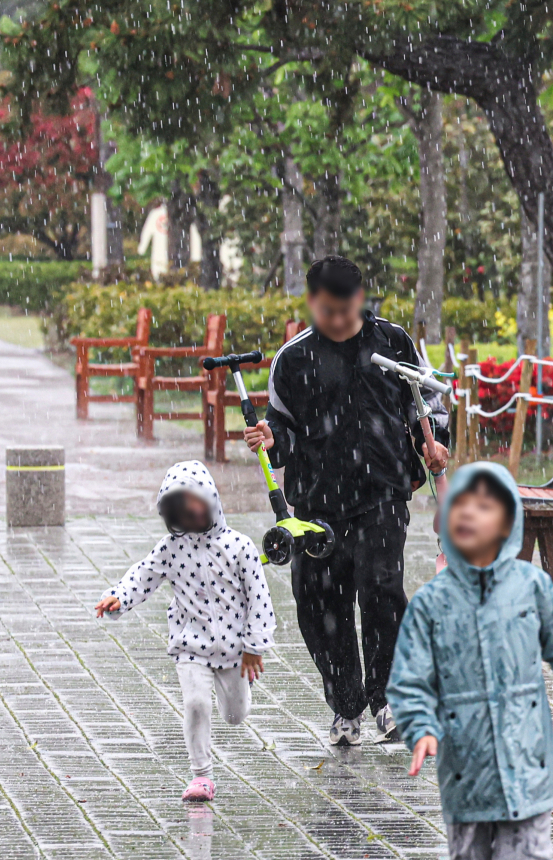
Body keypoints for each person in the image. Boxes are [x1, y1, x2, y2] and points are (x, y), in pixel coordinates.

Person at [243, 255, 449, 745]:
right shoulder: (292, 359)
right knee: (320, 603)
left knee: (382, 591)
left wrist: (433, 441)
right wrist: (274, 441)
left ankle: (388, 700)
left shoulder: (392, 342)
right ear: (313, 304)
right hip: (317, 505)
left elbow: (427, 403)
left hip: (383, 491)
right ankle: (346, 706)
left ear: (359, 300)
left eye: (345, 310)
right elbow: (285, 427)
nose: (337, 320)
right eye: (326, 311)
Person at [387, 463, 553, 860]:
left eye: (484, 506)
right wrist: (419, 727)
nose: (469, 513)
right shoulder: (430, 604)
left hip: (528, 763)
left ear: (508, 524)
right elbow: (409, 680)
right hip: (464, 767)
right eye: (461, 504)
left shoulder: (531, 586)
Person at [95, 460, 276, 802]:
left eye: (195, 503)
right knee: (195, 703)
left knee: (236, 715)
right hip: (190, 644)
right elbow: (143, 574)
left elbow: (260, 599)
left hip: (235, 649)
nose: (190, 514)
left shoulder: (240, 547)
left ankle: (240, 693)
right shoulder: (171, 548)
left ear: (211, 499)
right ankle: (201, 775)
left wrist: (255, 645)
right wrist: (118, 596)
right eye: (180, 508)